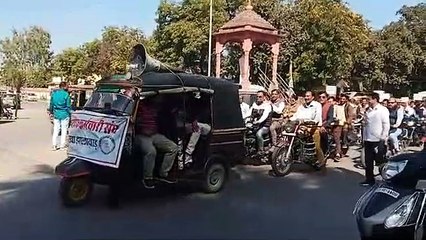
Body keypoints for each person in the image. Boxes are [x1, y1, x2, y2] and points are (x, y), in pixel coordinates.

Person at [136, 96, 179, 189]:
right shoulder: (139, 106)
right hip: (141, 135)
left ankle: (163, 173)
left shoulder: (155, 108)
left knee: (173, 147)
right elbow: (135, 123)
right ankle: (147, 178)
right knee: (151, 151)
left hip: (154, 134)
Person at [361, 92, 390, 186]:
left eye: (369, 99)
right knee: (368, 161)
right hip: (368, 138)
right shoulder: (368, 110)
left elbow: (386, 124)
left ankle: (385, 179)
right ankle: (369, 179)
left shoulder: (382, 110)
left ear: (375, 99)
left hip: (378, 139)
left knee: (380, 160)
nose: (367, 101)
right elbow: (366, 123)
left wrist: (383, 137)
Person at [290, 91, 325, 169]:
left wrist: (313, 121)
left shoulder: (317, 105)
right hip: (302, 126)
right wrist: (290, 119)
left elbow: (318, 116)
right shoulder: (302, 106)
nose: (306, 98)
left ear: (312, 97)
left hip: (313, 126)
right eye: (305, 96)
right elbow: (296, 115)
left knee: (317, 146)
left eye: (308, 96)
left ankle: (321, 161)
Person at [177, 93, 211, 165]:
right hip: (194, 123)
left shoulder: (208, 104)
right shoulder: (193, 103)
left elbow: (205, 115)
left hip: (208, 125)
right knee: (181, 130)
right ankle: (181, 157)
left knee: (197, 127)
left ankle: (188, 154)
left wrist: (196, 120)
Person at [49, 82, 71, 151]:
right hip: (65, 114)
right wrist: (70, 114)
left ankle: (54, 145)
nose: (68, 87)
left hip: (56, 114)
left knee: (56, 130)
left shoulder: (54, 94)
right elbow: (68, 106)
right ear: (64, 87)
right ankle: (62, 145)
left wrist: (51, 112)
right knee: (64, 130)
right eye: (67, 86)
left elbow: (51, 104)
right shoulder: (66, 95)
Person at [318, 91, 334, 156]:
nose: (321, 98)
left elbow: (330, 119)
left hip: (325, 126)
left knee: (322, 133)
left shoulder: (329, 106)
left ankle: (325, 151)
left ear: (326, 98)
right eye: (320, 97)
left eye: (323, 97)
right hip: (315, 125)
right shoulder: (316, 105)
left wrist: (324, 126)